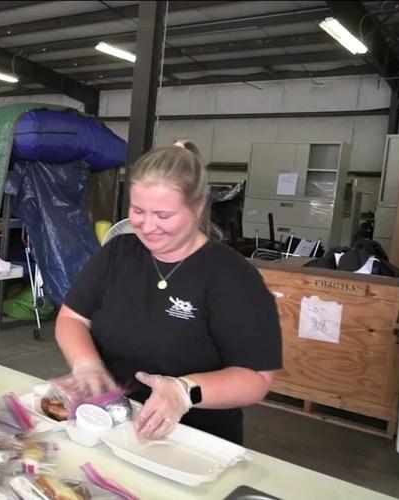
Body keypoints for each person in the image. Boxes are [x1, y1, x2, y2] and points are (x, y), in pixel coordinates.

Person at [55, 140, 282, 445]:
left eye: (163, 216)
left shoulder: (233, 277)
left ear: (198, 207)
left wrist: (184, 392)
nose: (148, 227)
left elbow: (256, 378)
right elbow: (72, 318)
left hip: (193, 439)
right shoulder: (118, 254)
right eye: (138, 211)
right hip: (109, 422)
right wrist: (87, 365)